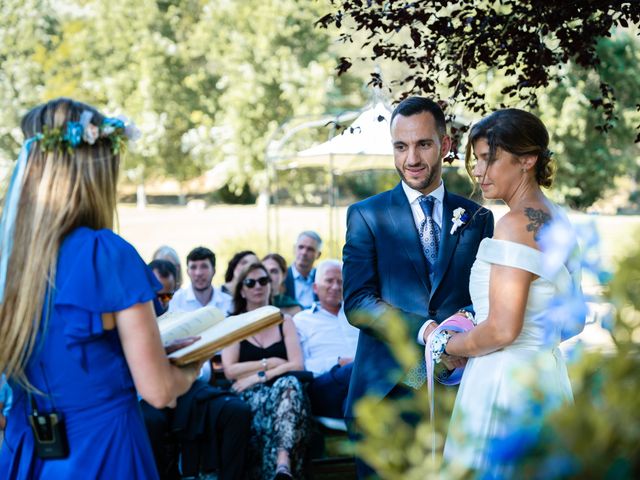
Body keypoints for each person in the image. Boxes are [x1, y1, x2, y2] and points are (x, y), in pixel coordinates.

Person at [0, 98, 202, 478]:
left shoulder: (9, 261)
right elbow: (158, 390)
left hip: (29, 452)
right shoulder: (103, 254)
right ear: (94, 175)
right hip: (103, 451)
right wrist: (189, 369)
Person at [342, 96, 494, 477]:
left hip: (455, 390)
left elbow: (486, 297)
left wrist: (464, 328)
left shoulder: (477, 217)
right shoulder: (366, 215)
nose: (411, 158)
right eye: (400, 146)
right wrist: (426, 331)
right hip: (385, 394)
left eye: (423, 144)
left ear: (445, 145)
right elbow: (357, 301)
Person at [441, 109, 585, 477]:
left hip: (504, 387)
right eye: (476, 160)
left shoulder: (514, 224)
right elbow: (575, 319)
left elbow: (503, 330)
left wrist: (447, 345)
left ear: (527, 159)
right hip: (545, 380)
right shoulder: (556, 218)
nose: (478, 171)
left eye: (490, 159)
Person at [222, 262, 310, 480]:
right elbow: (230, 370)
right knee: (288, 394)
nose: (257, 286)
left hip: (283, 391)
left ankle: (282, 463)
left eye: (263, 281)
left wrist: (261, 374)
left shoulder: (284, 321)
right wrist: (270, 362)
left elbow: (297, 365)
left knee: (288, 386)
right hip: (248, 394)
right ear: (242, 290)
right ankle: (282, 467)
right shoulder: (233, 324)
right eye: (250, 282)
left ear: (271, 285)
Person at [293, 260, 359, 419]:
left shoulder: (358, 317)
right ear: (315, 287)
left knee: (353, 407)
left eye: (341, 282)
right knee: (354, 370)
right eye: (329, 281)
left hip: (359, 382)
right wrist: (337, 362)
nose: (336, 287)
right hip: (324, 385)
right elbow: (301, 365)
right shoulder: (301, 320)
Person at [169, 247, 233, 316]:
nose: (198, 273)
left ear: (214, 271)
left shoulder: (229, 303)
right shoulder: (176, 301)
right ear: (187, 272)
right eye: (193, 267)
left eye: (204, 266)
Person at [283, 231, 322, 309]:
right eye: (301, 247)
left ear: (318, 254)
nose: (304, 252)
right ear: (294, 249)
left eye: (310, 249)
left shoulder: (322, 279)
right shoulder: (282, 277)